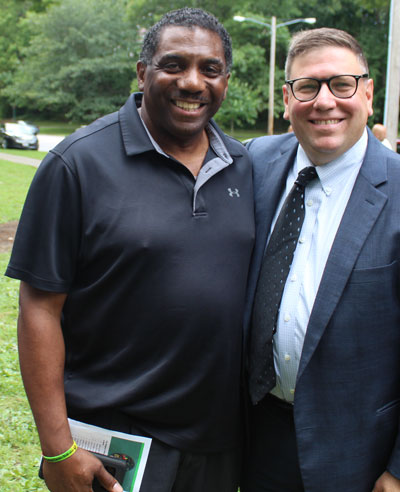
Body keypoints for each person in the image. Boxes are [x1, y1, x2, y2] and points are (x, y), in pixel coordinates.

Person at [6, 8, 254, 492]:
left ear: (226, 79)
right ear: (143, 73)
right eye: (174, 65)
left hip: (219, 446)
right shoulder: (75, 165)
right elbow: (38, 309)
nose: (192, 82)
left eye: (210, 69)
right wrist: (57, 447)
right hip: (114, 446)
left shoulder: (243, 166)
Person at [242, 28, 400, 492]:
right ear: (287, 100)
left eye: (342, 84)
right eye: (307, 87)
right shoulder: (255, 162)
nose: (324, 101)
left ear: (368, 94)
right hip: (255, 437)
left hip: (359, 453)